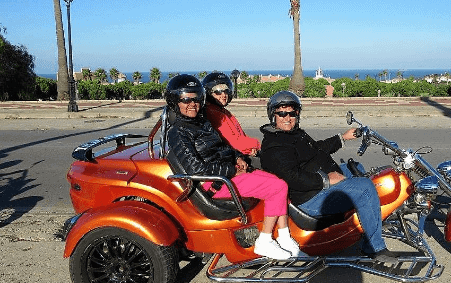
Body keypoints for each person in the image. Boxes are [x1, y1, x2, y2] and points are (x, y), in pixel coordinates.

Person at [164, 75, 299, 260]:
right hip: (215, 184)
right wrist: (232, 170)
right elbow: (196, 170)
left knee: (278, 181)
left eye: (196, 98)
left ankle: (284, 235)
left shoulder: (201, 122)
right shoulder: (178, 132)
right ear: (175, 102)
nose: (192, 104)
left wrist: (237, 156)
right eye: (186, 99)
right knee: (278, 188)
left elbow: (223, 145)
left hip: (227, 174)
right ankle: (264, 241)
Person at [259, 91, 398, 264]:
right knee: (364, 187)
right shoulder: (275, 145)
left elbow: (316, 149)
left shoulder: (291, 134)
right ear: (273, 115)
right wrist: (326, 180)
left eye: (292, 112)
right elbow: (291, 178)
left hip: (317, 185)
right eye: (282, 113)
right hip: (309, 201)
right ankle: (375, 248)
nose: (287, 117)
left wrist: (343, 138)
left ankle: (365, 221)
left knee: (356, 168)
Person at [202, 72, 260, 156]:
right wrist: (257, 144)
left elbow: (241, 135)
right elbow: (234, 143)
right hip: (232, 157)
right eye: (218, 92)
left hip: (239, 153)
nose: (224, 95)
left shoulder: (223, 111)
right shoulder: (214, 114)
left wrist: (251, 147)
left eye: (226, 91)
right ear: (209, 93)